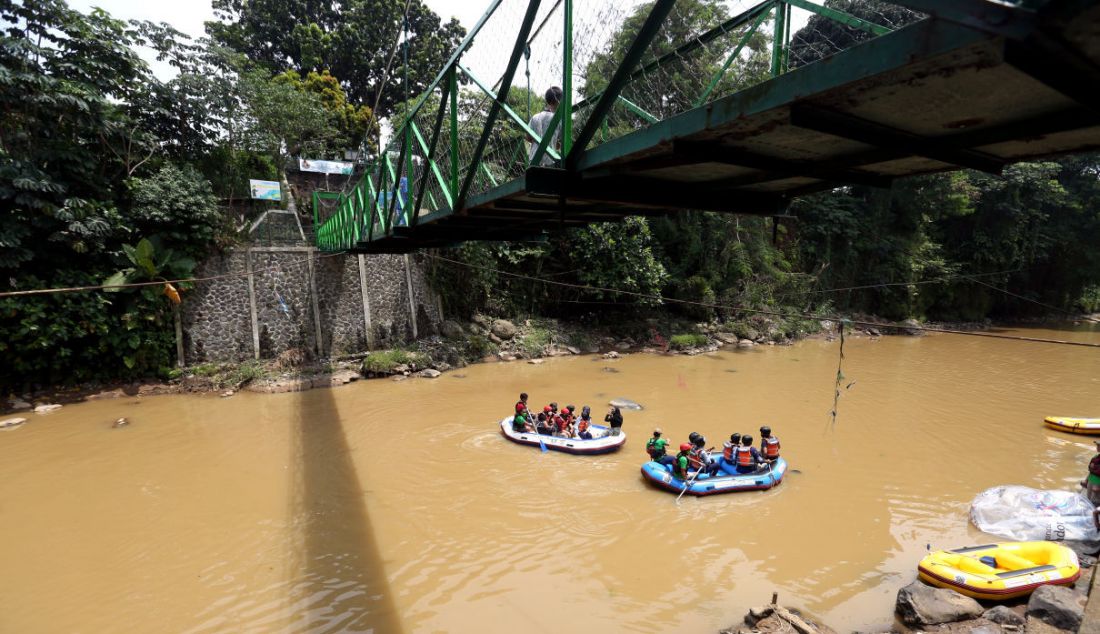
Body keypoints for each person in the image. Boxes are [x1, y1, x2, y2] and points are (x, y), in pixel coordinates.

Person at [527, 86, 563, 167]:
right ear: (559, 101)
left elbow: (528, 137)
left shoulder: (535, 117)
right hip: (550, 161)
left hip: (534, 159)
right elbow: (560, 143)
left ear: (547, 100)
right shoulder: (559, 120)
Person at [1083, 439, 1100, 505]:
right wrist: (1086, 480)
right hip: (1091, 482)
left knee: (1096, 503)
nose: (1097, 447)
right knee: (1088, 501)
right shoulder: (1095, 457)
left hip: (1098, 485)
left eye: (1099, 445)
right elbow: (1091, 471)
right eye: (1097, 445)